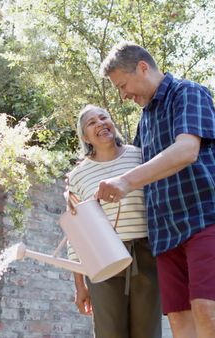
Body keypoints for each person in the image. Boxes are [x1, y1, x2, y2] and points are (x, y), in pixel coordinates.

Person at [95, 41, 215, 338]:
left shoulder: (188, 93)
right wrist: (84, 176)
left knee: (206, 306)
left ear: (142, 67)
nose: (124, 95)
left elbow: (186, 150)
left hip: (207, 216)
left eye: (123, 85)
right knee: (178, 318)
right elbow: (128, 163)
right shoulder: (145, 121)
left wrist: (125, 182)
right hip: (165, 231)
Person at [64, 104, 162, 338]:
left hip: (145, 254)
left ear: (113, 123)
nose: (100, 123)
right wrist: (80, 285)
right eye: (91, 122)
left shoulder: (141, 156)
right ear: (85, 137)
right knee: (109, 333)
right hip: (101, 260)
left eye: (103, 117)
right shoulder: (78, 176)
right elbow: (77, 234)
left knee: (147, 333)